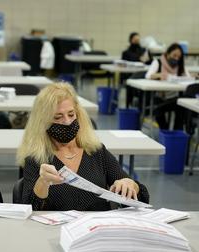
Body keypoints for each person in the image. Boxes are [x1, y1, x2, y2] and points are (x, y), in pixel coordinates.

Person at [17, 82, 149, 211]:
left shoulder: (96, 151)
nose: (68, 122)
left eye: (71, 114)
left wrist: (131, 185)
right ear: (42, 123)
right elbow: (29, 210)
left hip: (97, 228)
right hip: (56, 231)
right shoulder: (36, 159)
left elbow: (140, 200)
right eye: (57, 117)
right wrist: (42, 183)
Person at [145, 43, 191, 130]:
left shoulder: (180, 66)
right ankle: (165, 131)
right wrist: (159, 75)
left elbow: (188, 78)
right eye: (174, 55)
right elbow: (148, 75)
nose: (176, 58)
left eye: (179, 57)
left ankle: (176, 133)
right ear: (167, 53)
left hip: (174, 98)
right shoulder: (158, 62)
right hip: (159, 97)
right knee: (158, 110)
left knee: (183, 107)